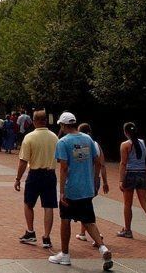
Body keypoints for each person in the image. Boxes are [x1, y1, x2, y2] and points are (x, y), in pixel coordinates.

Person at [48, 112, 113, 270]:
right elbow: (97, 161)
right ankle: (102, 247)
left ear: (63, 126)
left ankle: (65, 254)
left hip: (71, 188)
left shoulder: (63, 142)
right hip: (86, 187)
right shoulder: (88, 139)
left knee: (65, 220)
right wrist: (95, 180)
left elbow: (63, 167)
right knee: (88, 220)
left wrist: (62, 191)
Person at [15, 109, 58, 250]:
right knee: (49, 206)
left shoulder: (29, 137)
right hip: (50, 174)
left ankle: (30, 231)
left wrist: (18, 178)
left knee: (28, 203)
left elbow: (23, 161)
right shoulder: (54, 137)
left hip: (34, 174)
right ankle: (46, 237)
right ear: (46, 120)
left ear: (34, 121)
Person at [116, 122, 146, 241]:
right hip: (142, 173)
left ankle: (127, 230)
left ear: (125, 132)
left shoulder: (125, 145)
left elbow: (123, 163)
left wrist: (121, 180)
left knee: (128, 204)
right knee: (145, 203)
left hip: (130, 174)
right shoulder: (142, 143)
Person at [74, 123, 109, 245]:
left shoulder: (82, 145)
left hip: (85, 180)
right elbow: (102, 164)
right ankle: (83, 233)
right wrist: (104, 181)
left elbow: (79, 164)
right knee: (86, 205)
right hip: (95, 180)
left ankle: (96, 235)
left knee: (85, 208)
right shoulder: (96, 145)